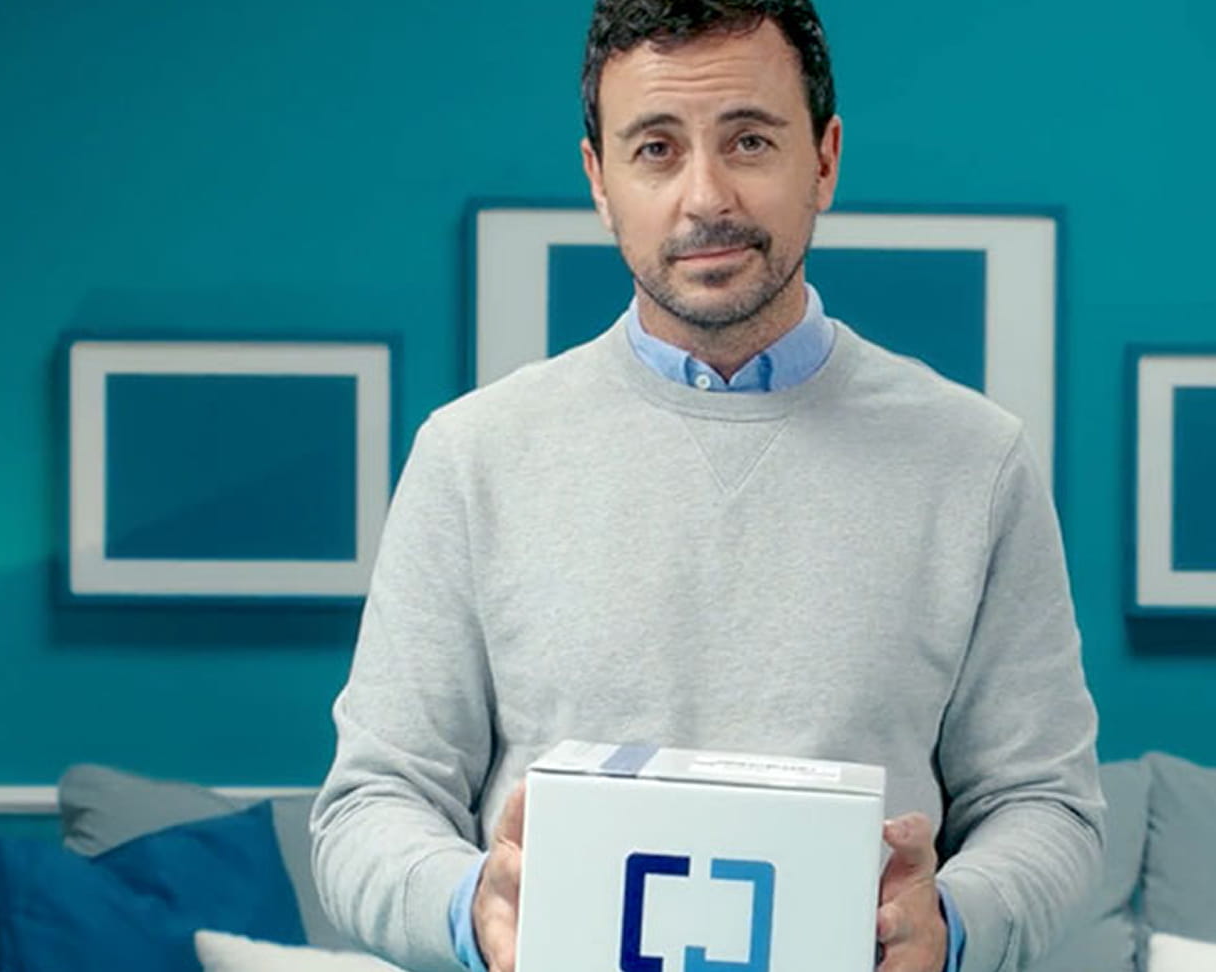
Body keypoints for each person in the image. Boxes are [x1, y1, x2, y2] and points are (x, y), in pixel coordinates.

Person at [308, 1, 1105, 970]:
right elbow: (369, 805)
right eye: (656, 149)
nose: (704, 197)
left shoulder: (975, 460)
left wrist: (954, 921)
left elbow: (1046, 806)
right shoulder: (470, 457)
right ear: (600, 180)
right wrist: (473, 906)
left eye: (749, 140)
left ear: (824, 160)